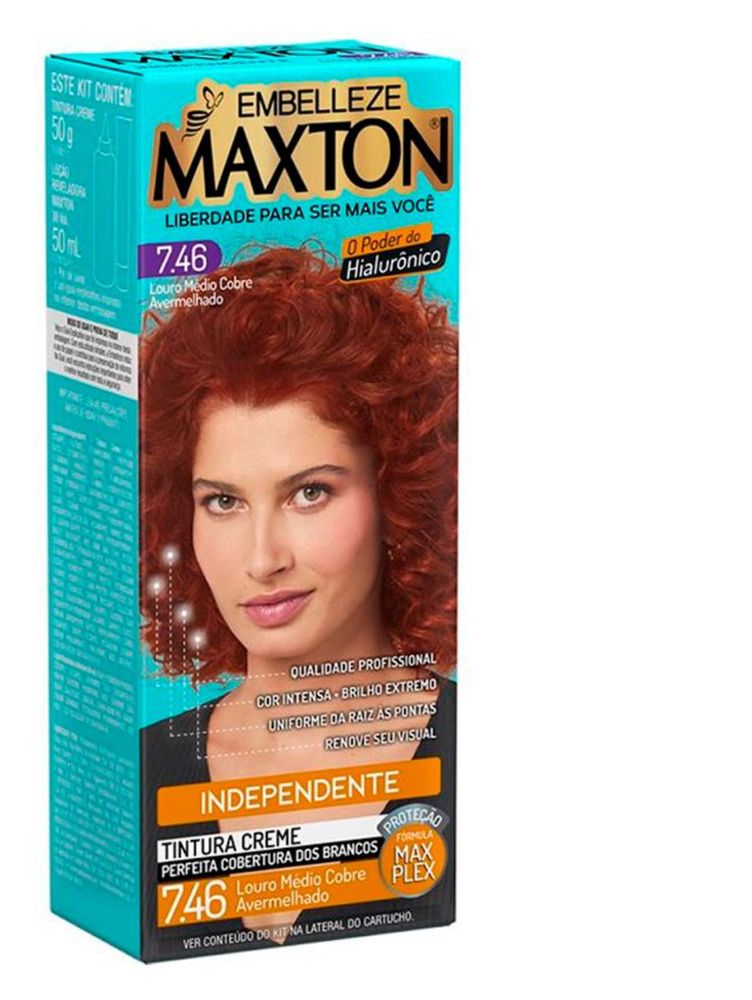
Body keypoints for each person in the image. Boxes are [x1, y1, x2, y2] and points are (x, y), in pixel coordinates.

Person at [138, 244, 457, 955]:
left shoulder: (474, 753)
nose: (262, 559)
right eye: (222, 502)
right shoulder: (142, 769)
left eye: (310, 493)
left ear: (397, 495)